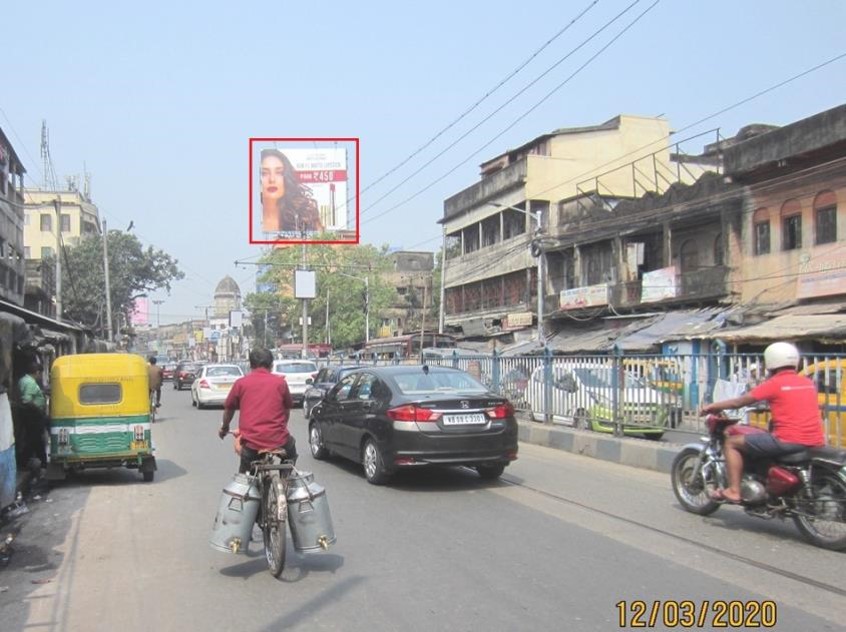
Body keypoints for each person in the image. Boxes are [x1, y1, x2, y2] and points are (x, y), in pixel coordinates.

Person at [700, 341, 825, 503]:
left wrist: (712, 406)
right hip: (815, 440)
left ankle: (734, 490)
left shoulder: (774, 384)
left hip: (787, 440)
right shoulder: (807, 383)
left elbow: (739, 402)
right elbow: (792, 404)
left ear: (771, 361)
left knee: (731, 442)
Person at [218, 348, 296, 473]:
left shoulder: (241, 383)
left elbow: (229, 409)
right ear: (271, 365)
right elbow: (286, 409)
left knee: (245, 476)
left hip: (251, 444)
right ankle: (285, 478)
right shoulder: (280, 383)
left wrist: (224, 428)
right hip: (279, 440)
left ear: (250, 365)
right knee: (290, 453)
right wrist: (281, 427)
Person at [259, 149, 323, 234]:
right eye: (264, 173)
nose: (272, 179)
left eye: (279, 173)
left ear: (287, 177)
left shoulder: (304, 215)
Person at [17, 360, 48, 471]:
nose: (40, 376)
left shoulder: (23, 380)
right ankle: (28, 460)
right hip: (33, 415)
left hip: (28, 415)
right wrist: (38, 411)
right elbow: (27, 400)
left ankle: (40, 461)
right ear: (37, 372)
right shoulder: (30, 383)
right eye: (40, 374)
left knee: (34, 438)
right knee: (35, 439)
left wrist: (41, 393)